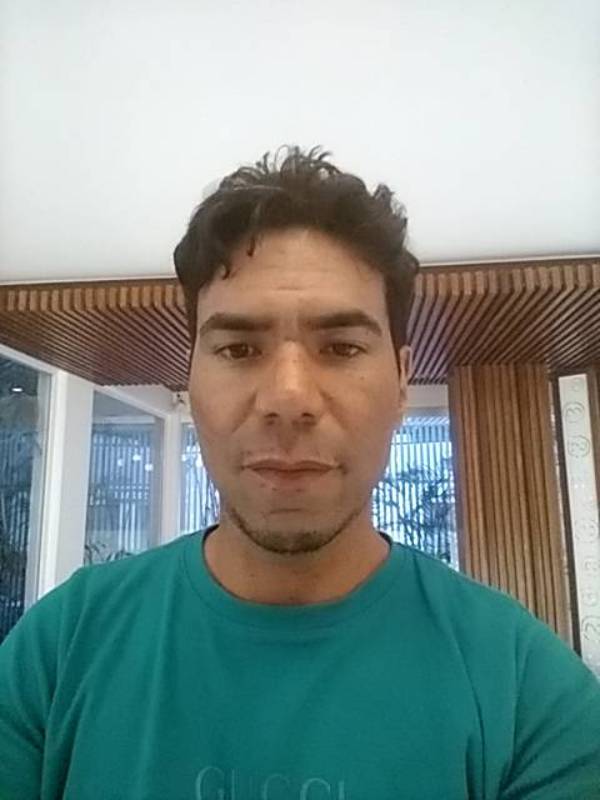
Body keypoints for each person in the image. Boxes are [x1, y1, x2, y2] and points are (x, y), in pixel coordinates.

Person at [1, 146, 599, 800]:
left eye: (341, 347)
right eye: (238, 348)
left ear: (402, 381)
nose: (289, 398)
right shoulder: (58, 650)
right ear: (191, 376)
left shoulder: (530, 695)